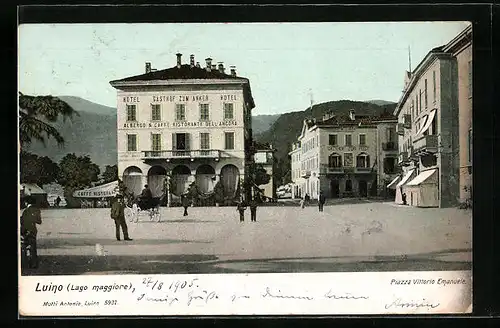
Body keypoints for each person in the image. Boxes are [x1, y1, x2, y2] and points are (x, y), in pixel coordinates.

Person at [20, 196, 42, 268]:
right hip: (33, 230)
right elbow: (39, 221)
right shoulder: (37, 210)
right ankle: (34, 263)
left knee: (23, 247)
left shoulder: (26, 211)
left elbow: (23, 222)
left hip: (26, 230)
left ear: (26, 202)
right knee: (33, 247)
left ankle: (24, 263)